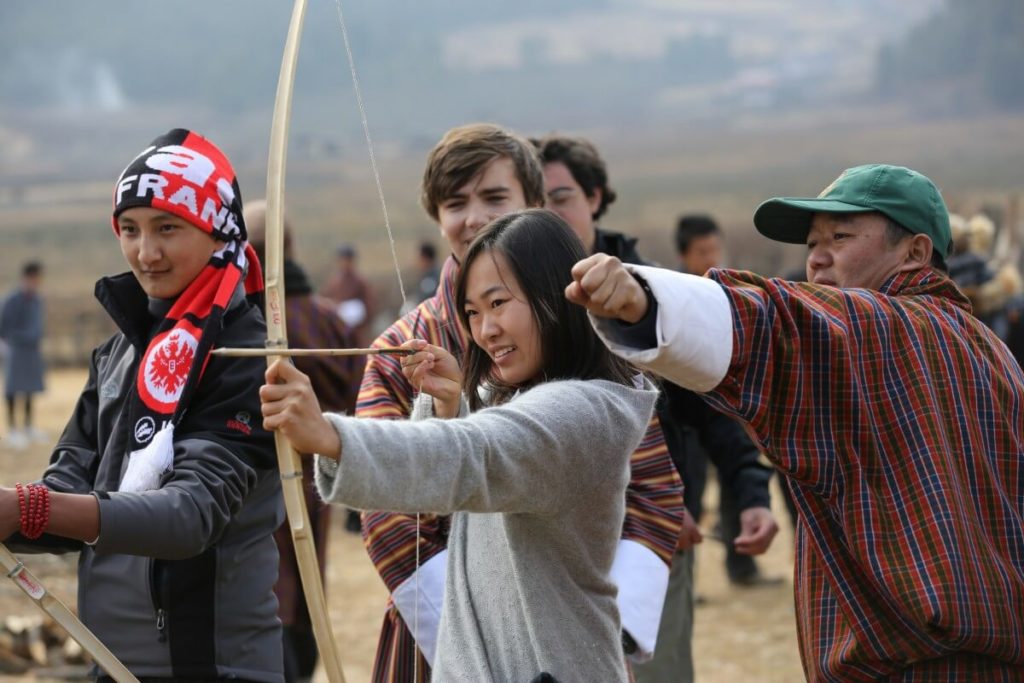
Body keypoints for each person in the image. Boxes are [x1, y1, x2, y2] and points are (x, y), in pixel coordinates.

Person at [569, 163, 1024, 680]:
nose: (818, 258)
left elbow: (776, 323)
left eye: (841, 236)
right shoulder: (995, 355)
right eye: (812, 244)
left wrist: (644, 301)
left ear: (916, 253)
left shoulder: (878, 330)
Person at [262, 209, 657, 682]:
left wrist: (329, 437)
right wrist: (450, 404)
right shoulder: (515, 399)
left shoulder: (587, 414)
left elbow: (479, 452)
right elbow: (488, 448)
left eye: (498, 303)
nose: (484, 329)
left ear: (555, 294)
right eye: (472, 311)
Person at [357, 123, 684, 681]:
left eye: (494, 197)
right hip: (435, 645)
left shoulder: (585, 331)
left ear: (535, 205)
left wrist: (605, 634)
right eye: (454, 202)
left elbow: (653, 489)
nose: (474, 217)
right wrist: (470, 650)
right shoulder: (399, 350)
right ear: (437, 217)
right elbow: (389, 520)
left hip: (570, 635)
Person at [1, 129, 284, 681]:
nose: (145, 253)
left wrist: (28, 508)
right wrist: (20, 511)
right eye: (129, 230)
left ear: (217, 230)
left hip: (215, 667)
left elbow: (190, 516)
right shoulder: (119, 353)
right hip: (113, 663)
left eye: (168, 228)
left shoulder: (245, 354)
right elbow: (65, 500)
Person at [535, 134, 777, 682]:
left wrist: (750, 495)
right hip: (557, 551)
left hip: (659, 541)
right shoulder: (514, 306)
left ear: (596, 197)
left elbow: (715, 406)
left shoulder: (654, 294)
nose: (547, 213)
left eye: (562, 197)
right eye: (535, 200)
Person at [245, 199, 362, 683]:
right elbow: (359, 402)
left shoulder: (244, 327)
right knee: (300, 591)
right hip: (312, 483)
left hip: (266, 484)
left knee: (274, 593)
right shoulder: (328, 320)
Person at [674, 213, 781, 587]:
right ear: (685, 255)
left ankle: (742, 566)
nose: (711, 258)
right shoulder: (669, 299)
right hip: (681, 421)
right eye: (702, 251)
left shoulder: (729, 293)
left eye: (715, 248)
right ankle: (682, 581)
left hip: (722, 413)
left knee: (738, 484)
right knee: (690, 494)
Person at [1, 261, 46, 450]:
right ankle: (12, 430)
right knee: (12, 389)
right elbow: (3, 325)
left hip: (32, 350)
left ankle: (28, 426)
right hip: (15, 349)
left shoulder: (36, 299)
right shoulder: (12, 300)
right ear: (26, 278)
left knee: (29, 388)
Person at [320, 243, 374, 346]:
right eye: (343, 260)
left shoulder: (360, 282)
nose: (345, 263)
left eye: (347, 260)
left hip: (357, 330)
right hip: (337, 330)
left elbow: (369, 306)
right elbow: (325, 300)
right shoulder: (334, 282)